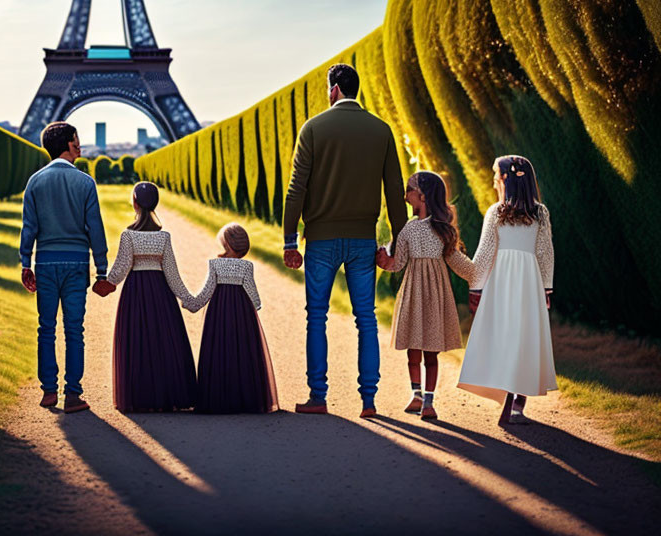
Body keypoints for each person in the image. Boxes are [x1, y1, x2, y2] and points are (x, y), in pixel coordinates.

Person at [283, 63, 408, 418]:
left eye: (328, 88)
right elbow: (395, 193)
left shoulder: (313, 129)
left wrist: (290, 241)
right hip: (363, 239)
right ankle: (369, 401)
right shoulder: (381, 131)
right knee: (366, 318)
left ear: (335, 88)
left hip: (321, 239)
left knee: (317, 317)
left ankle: (317, 396)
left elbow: (297, 190)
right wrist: (398, 246)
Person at [457, 155, 557, 425]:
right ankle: (514, 401)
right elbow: (545, 254)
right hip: (524, 280)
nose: (492, 180)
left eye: (495, 174)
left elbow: (487, 253)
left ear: (506, 179)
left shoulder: (503, 212)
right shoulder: (536, 212)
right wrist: (546, 287)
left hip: (507, 280)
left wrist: (475, 286)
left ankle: (512, 398)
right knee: (520, 336)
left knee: (511, 335)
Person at [19, 121, 109, 414]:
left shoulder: (35, 182)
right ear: (68, 145)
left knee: (46, 328)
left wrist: (25, 263)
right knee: (74, 330)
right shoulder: (85, 182)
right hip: (76, 263)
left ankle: (48, 392)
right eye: (76, 140)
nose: (80, 145)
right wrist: (102, 270)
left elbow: (29, 228)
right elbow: (95, 229)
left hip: (45, 261)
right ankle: (72, 394)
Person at [377, 171, 474, 420]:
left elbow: (456, 261)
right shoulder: (408, 229)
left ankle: (429, 401)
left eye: (409, 190)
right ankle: (416, 395)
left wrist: (478, 274)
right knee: (413, 349)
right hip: (412, 293)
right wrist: (383, 260)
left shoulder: (443, 230)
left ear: (421, 195)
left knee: (431, 351)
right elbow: (399, 263)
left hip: (435, 297)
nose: (405, 195)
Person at [106, 182, 197, 412]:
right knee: (163, 341)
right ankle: (167, 394)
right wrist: (189, 299)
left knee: (137, 342)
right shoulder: (163, 237)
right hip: (160, 294)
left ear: (134, 203)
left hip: (135, 293)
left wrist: (104, 281)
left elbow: (120, 270)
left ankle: (140, 396)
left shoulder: (129, 236)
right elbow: (172, 274)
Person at [187, 223, 278, 414]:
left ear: (226, 244)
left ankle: (219, 396)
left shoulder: (215, 264)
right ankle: (243, 396)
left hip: (218, 313)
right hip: (242, 313)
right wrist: (256, 305)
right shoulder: (246, 266)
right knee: (241, 351)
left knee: (219, 349)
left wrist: (192, 304)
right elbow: (253, 293)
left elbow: (206, 292)